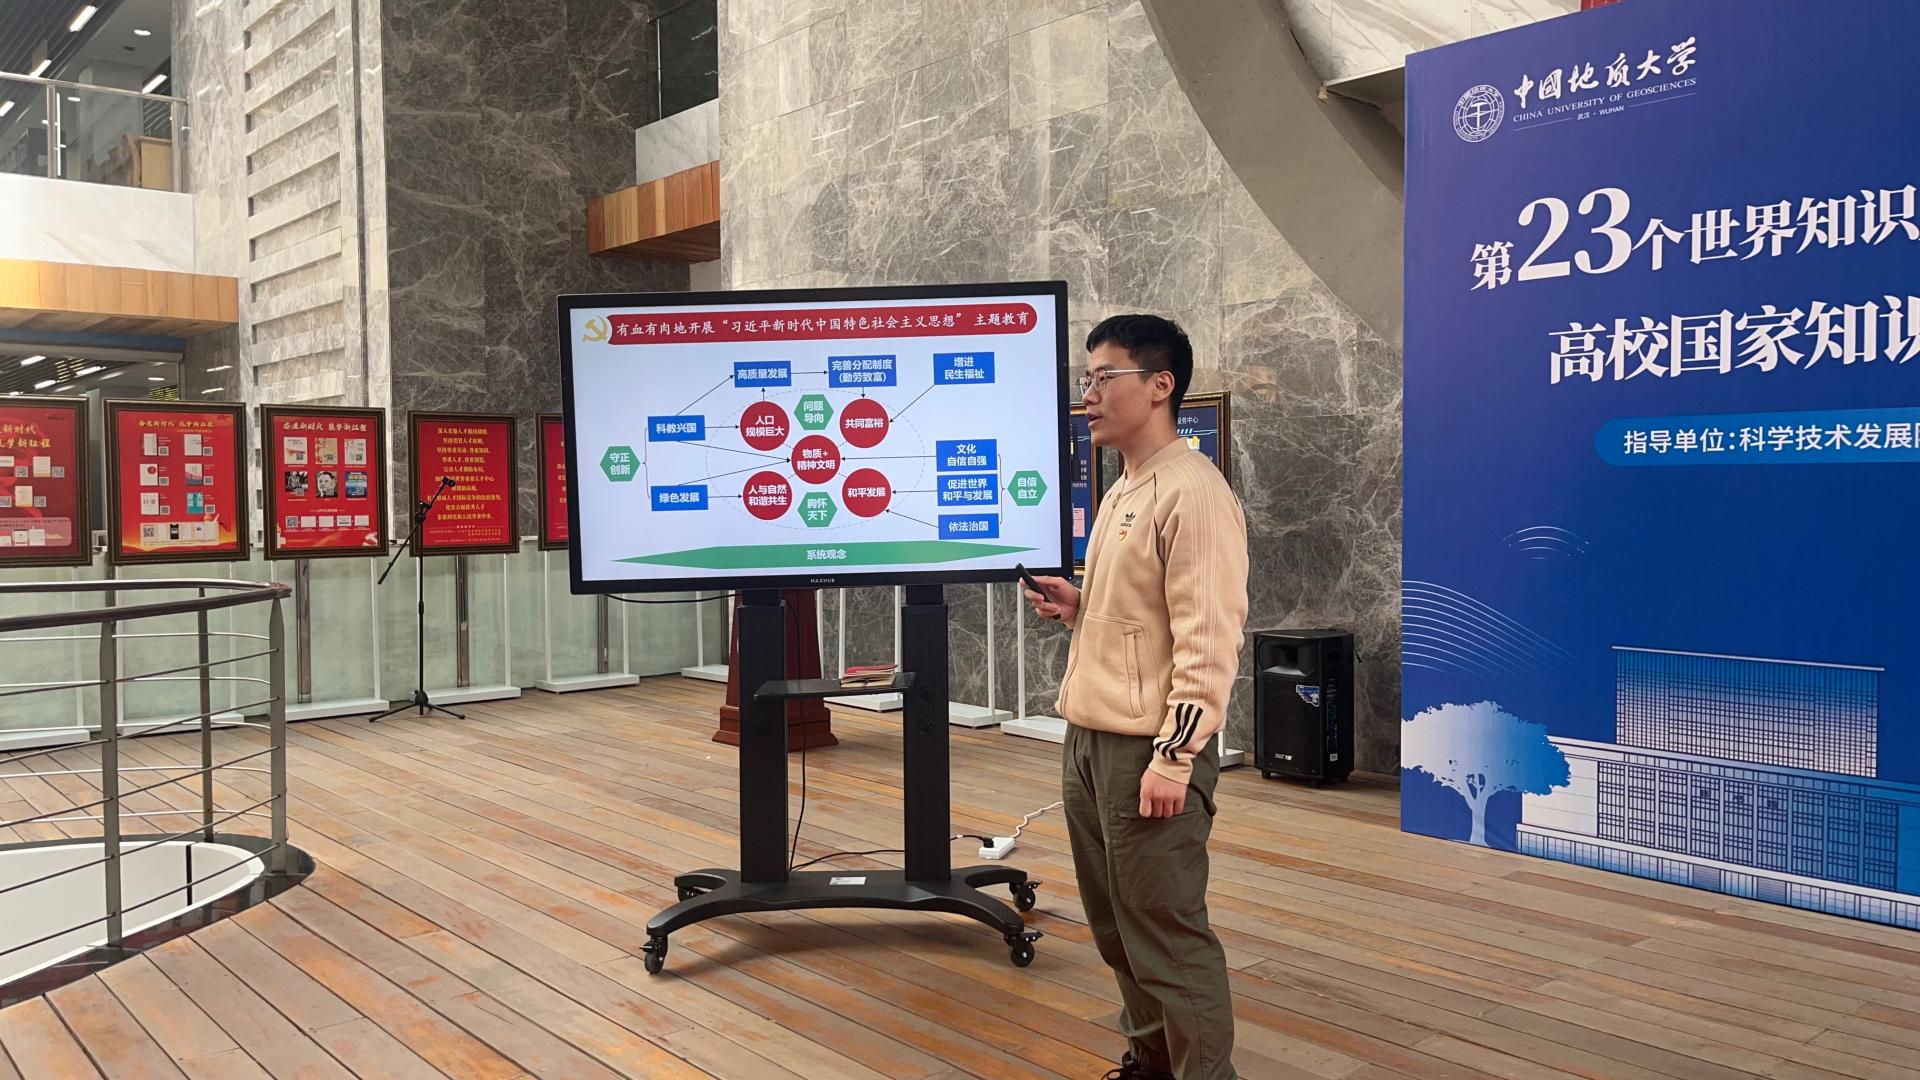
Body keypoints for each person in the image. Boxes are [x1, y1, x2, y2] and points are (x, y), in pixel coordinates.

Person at [1024, 314, 1248, 1080]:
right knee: (1118, 929)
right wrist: (1081, 605)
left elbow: (1208, 641)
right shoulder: (1126, 485)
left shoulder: (1194, 493)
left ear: (1160, 386)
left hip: (1147, 750)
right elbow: (1146, 612)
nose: (1087, 395)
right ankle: (1151, 1063)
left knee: (1167, 935)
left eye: (1103, 378)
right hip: (1090, 740)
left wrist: (1175, 757)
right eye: (1084, 379)